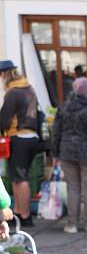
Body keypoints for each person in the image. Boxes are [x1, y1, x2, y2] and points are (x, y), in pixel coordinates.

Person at [52, 78, 87, 234]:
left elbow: (56, 133)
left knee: (73, 188)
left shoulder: (63, 109)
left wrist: (55, 154)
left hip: (66, 152)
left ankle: (72, 224)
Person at [0, 60, 40, 227]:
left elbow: (4, 119)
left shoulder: (13, 92)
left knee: (20, 178)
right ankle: (18, 211)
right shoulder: (28, 88)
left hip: (19, 137)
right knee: (18, 178)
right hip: (32, 137)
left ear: (3, 74)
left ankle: (24, 215)